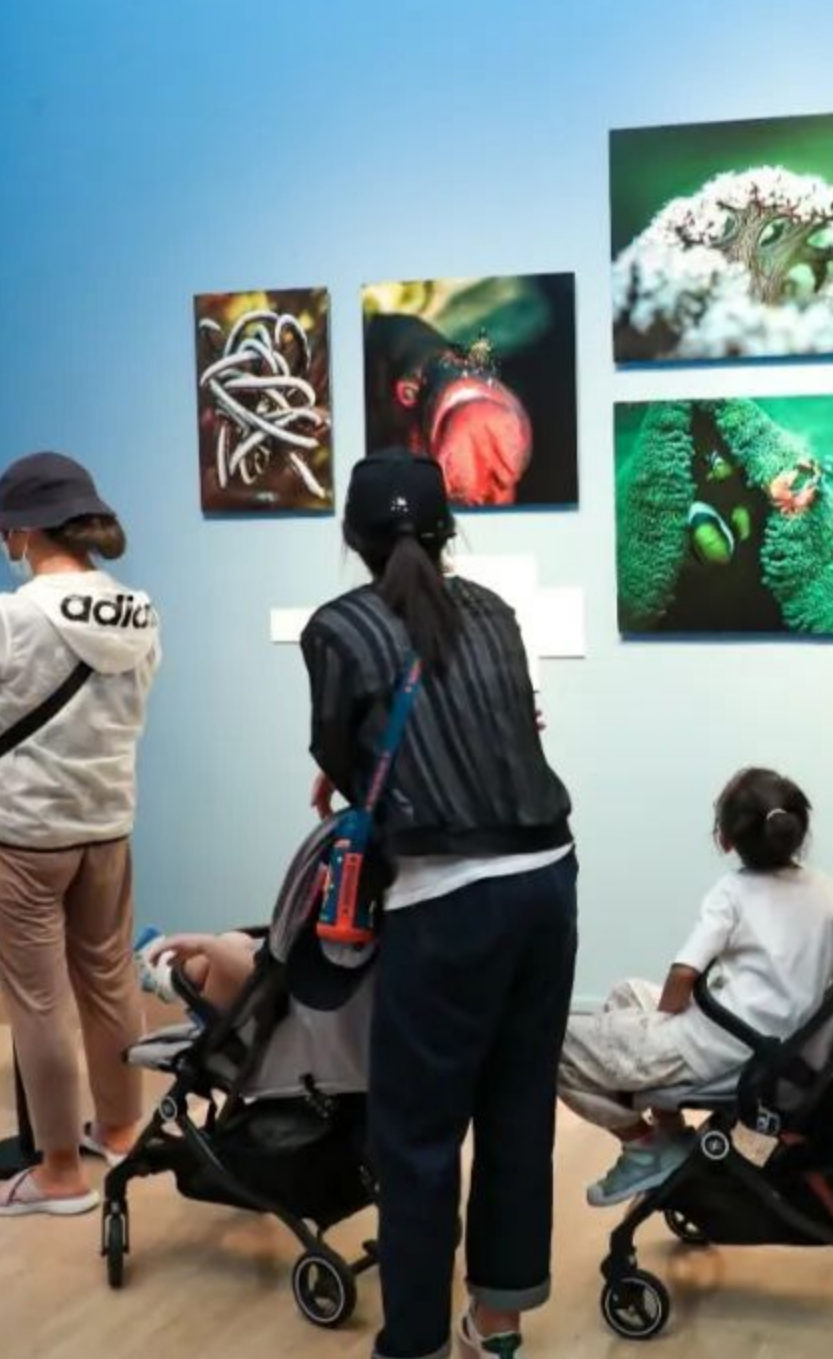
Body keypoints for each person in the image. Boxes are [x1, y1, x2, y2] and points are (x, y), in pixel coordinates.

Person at [301, 449, 577, 1359]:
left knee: (418, 1135)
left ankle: (414, 1341)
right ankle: (496, 1326)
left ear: (353, 536)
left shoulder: (339, 628)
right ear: (448, 528)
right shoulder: (492, 609)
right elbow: (511, 726)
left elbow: (342, 755)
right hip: (547, 876)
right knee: (517, 1109)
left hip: (446, 895)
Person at [0, 452, 160, 1217]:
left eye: (5, 535)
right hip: (104, 825)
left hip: (20, 832)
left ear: (24, 532)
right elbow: (98, 711)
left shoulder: (10, 615)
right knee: (109, 978)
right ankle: (121, 1129)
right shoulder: (137, 609)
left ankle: (58, 1174)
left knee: (39, 999)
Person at [558, 768, 833, 1206]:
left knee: (551, 1043)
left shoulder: (732, 891)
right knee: (626, 992)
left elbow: (684, 975)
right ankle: (670, 1131)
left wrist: (661, 1026)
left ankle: (644, 1146)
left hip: (715, 1048)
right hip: (780, 1049)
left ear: (726, 840)